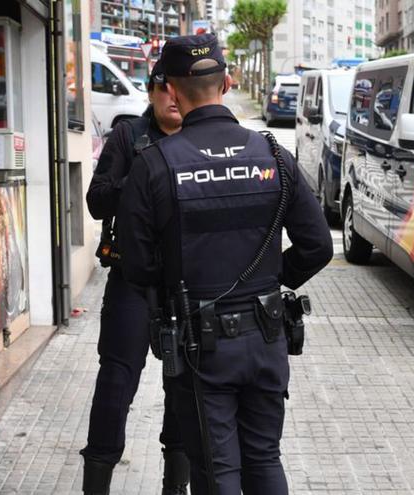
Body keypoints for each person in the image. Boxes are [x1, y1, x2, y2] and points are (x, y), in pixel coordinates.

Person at [117, 33, 333, 494]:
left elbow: (135, 267)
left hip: (201, 344)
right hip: (268, 334)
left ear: (171, 90)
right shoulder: (274, 156)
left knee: (217, 472)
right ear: (229, 83)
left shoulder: (155, 164)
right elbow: (317, 246)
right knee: (264, 458)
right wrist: (269, 283)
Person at [81, 62, 190, 495]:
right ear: (152, 92)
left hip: (184, 286)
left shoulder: (201, 139)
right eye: (165, 89)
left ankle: (175, 487)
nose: (173, 98)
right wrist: (140, 180)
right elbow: (95, 200)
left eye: (180, 89)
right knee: (115, 382)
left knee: (183, 388)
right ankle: (97, 484)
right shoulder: (129, 136)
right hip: (130, 281)